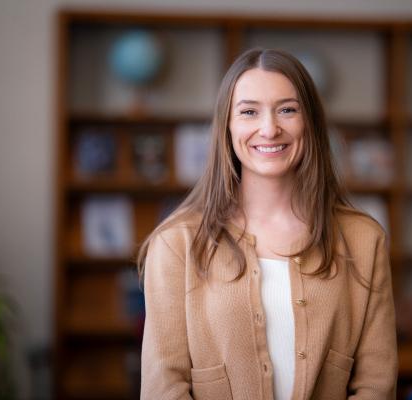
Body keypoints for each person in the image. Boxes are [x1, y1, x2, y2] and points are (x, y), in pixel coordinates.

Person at [138, 47, 398, 400]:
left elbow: (376, 385)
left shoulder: (365, 240)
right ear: (226, 127)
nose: (269, 129)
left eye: (287, 110)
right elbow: (163, 389)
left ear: (310, 122)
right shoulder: (175, 243)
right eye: (248, 112)